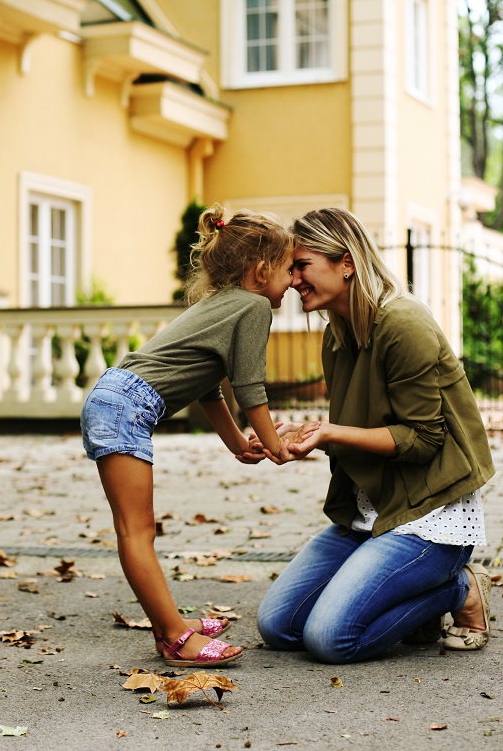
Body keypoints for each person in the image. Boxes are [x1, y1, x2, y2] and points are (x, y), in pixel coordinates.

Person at [251, 206, 494, 664]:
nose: (293, 278)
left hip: (427, 515)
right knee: (279, 626)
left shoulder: (404, 324)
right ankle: (407, 604)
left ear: (345, 262)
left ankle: (456, 588)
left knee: (329, 639)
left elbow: (424, 440)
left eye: (301, 265)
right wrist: (301, 436)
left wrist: (328, 433)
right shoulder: (335, 335)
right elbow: (353, 428)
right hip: (370, 515)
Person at [81, 204, 294, 668]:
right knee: (137, 532)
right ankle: (177, 637)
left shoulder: (219, 305)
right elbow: (249, 387)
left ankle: (169, 629)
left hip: (114, 398)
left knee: (135, 531)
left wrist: (239, 443)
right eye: (289, 269)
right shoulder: (254, 306)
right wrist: (275, 445)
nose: (295, 280)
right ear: (261, 271)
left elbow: (208, 390)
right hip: (126, 407)